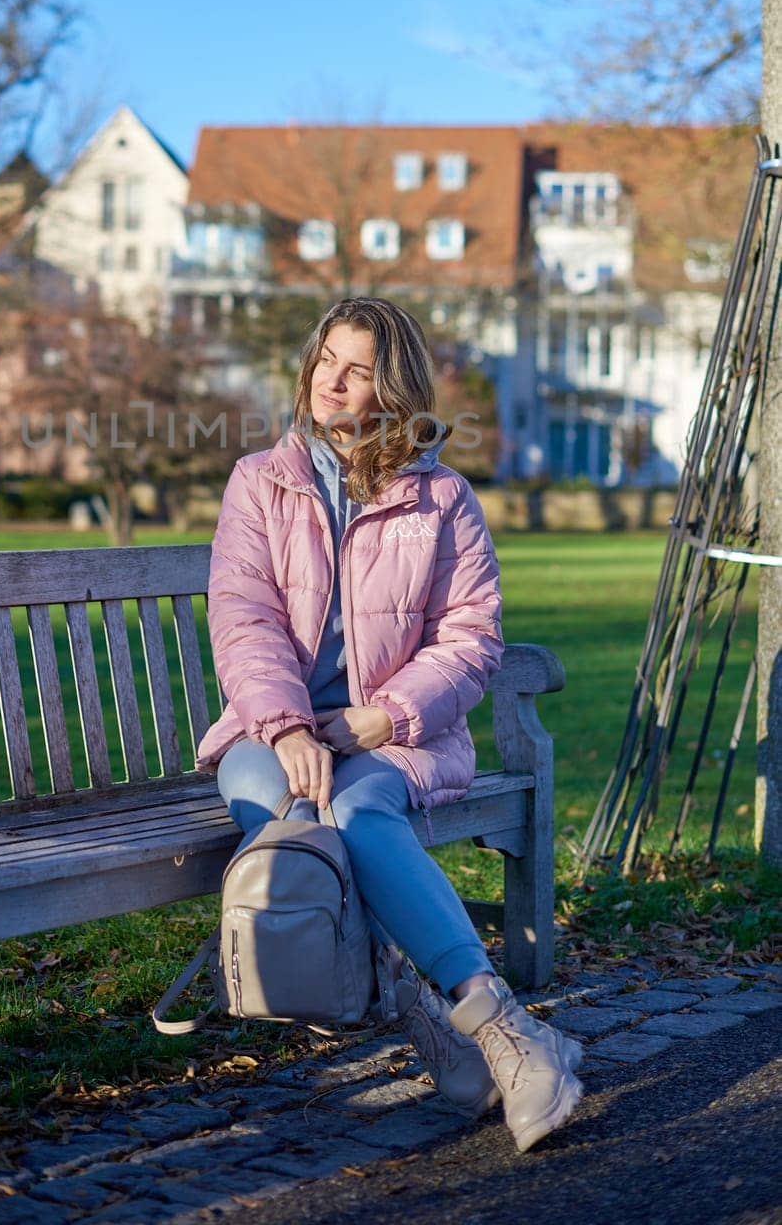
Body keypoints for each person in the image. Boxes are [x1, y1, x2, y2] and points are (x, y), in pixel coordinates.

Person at [196, 297, 584, 1154]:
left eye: (358, 367)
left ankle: (504, 1036)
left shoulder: (441, 498)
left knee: (358, 815)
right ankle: (442, 1027)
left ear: (393, 385)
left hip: (392, 735)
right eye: (325, 358)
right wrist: (291, 728)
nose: (332, 379)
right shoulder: (260, 481)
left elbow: (470, 638)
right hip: (268, 733)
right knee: (292, 822)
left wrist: (380, 717)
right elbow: (244, 620)